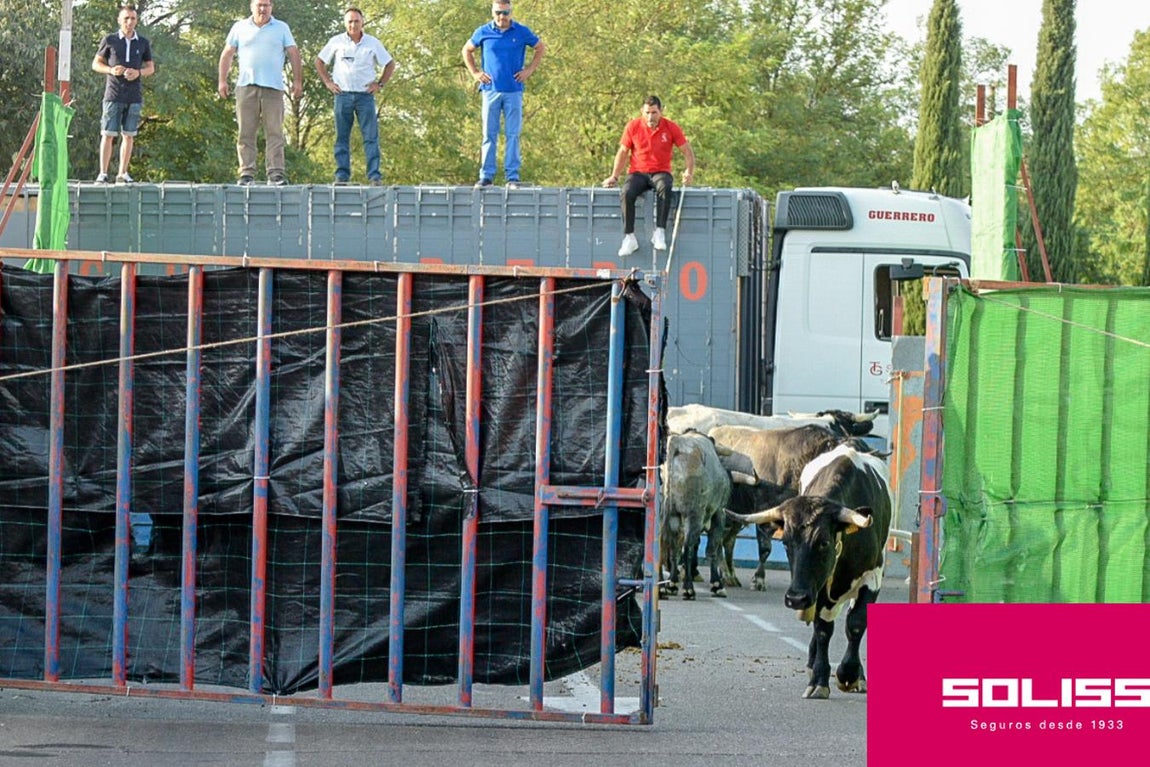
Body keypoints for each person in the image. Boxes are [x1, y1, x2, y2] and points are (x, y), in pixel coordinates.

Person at [218, 0, 303, 186]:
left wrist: (297, 82)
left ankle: (276, 173)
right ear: (252, 6)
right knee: (245, 132)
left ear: (271, 7)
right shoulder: (239, 27)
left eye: (266, 5)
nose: (263, 8)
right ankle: (246, 173)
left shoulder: (281, 28)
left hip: (273, 88)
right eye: (259, 4)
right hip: (246, 87)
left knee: (275, 132)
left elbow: (294, 54)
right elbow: (227, 54)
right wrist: (222, 81)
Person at [462, 1, 545, 189]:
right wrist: (475, 73)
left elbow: (540, 47)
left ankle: (512, 176)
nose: (502, 17)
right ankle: (486, 176)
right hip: (490, 91)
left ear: (510, 12)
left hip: (514, 91)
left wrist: (529, 70)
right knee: (488, 134)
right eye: (498, 12)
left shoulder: (521, 31)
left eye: (505, 12)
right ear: (493, 12)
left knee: (513, 134)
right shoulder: (483, 31)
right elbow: (467, 50)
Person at [603, 96, 696, 257]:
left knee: (665, 187)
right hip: (638, 172)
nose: (650, 117)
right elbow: (623, 152)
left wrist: (689, 172)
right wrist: (614, 176)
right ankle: (629, 237)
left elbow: (687, 151)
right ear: (642, 111)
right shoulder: (633, 126)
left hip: (660, 172)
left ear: (661, 111)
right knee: (626, 192)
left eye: (654, 113)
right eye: (647, 113)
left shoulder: (671, 127)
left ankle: (659, 232)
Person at [315, 7, 396, 185]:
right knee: (341, 137)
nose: (353, 24)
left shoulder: (372, 43)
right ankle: (342, 175)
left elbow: (389, 63)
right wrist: (328, 82)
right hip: (342, 95)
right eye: (350, 21)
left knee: (370, 137)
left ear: (362, 22)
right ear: (345, 23)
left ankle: (374, 176)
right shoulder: (336, 42)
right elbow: (320, 61)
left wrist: (380, 83)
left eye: (356, 21)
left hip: (365, 97)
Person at [92, 5, 155, 184]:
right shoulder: (110, 40)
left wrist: (138, 73)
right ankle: (103, 173)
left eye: (132, 19)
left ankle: (123, 173)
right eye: (126, 18)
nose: (129, 22)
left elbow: (151, 68)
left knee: (129, 135)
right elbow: (96, 64)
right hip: (113, 94)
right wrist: (112, 70)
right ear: (119, 20)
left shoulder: (142, 42)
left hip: (134, 96)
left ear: (137, 20)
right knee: (108, 133)